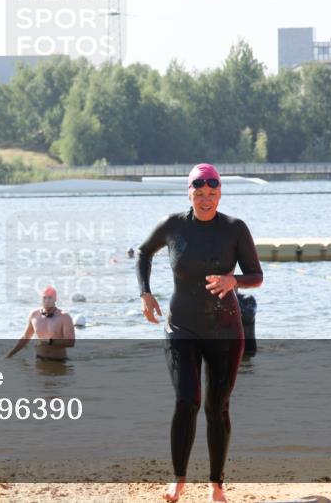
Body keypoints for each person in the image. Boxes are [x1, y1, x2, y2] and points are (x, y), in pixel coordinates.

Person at [137, 163, 263, 503]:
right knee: (187, 400)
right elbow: (143, 252)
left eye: (212, 194)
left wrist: (234, 280)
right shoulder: (173, 226)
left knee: (216, 407)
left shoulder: (234, 229)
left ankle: (216, 486)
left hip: (225, 329)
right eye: (199, 193)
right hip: (182, 327)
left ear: (220, 193)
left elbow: (256, 275)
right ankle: (178, 480)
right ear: (189, 192)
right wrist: (145, 293)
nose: (206, 200)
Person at [5, 286, 76, 361]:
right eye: (44, 298)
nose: (47, 300)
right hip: (39, 359)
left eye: (50, 298)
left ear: (55, 299)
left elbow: (70, 342)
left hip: (59, 361)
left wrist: (49, 342)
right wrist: (9, 355)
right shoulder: (34, 314)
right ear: (41, 299)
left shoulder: (64, 317)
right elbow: (26, 338)